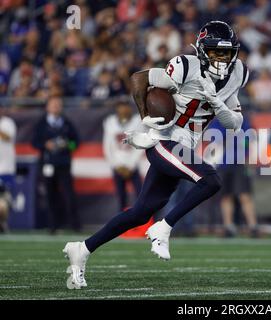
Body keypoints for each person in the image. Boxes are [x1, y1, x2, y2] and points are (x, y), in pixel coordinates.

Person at [63, 21, 249, 289]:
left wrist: (217, 102)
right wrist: (146, 118)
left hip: (184, 146)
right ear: (201, 50)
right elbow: (139, 79)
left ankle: (82, 249)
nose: (222, 59)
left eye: (226, 53)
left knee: (140, 212)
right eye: (215, 52)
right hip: (164, 141)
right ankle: (164, 227)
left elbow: (235, 124)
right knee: (211, 180)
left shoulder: (237, 73)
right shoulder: (186, 66)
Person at [32, 96, 80, 234]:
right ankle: (52, 226)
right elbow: (34, 142)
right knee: (50, 195)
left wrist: (67, 145)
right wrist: (45, 145)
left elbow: (75, 142)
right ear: (47, 107)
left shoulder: (66, 123)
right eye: (53, 105)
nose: (56, 107)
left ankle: (75, 225)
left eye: (58, 104)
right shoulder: (41, 124)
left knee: (69, 195)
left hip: (64, 164)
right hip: (48, 164)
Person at [103, 101, 143, 211]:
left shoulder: (137, 121)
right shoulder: (110, 122)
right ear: (117, 109)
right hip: (118, 166)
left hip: (132, 165)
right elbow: (107, 146)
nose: (124, 110)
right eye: (121, 107)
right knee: (121, 198)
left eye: (126, 106)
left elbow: (140, 145)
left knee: (140, 195)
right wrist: (116, 165)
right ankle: (122, 225)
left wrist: (130, 166)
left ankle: (142, 223)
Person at [0, 107, 16, 232]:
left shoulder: (7, 123)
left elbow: (7, 137)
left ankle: (3, 223)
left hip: (5, 168)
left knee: (4, 199)